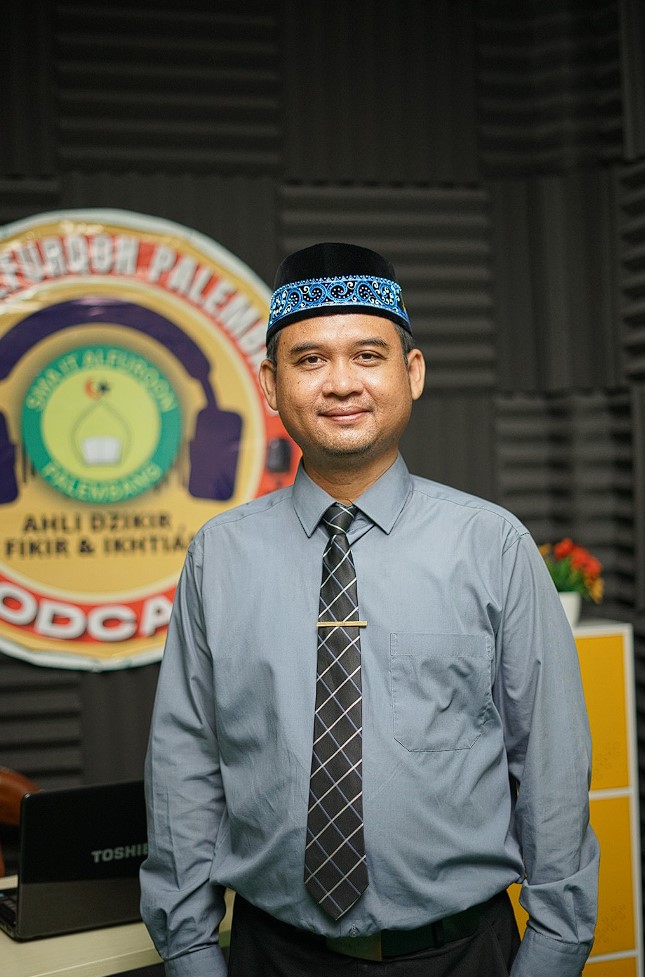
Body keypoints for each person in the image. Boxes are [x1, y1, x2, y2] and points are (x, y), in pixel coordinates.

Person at [140, 242, 599, 977]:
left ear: (411, 373)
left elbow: (551, 763)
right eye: (310, 359)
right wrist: (190, 952)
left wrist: (554, 950)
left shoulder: (492, 546)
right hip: (273, 956)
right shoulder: (219, 557)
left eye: (367, 355)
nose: (341, 383)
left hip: (460, 954)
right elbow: (184, 763)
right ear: (270, 384)